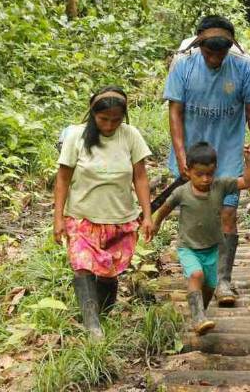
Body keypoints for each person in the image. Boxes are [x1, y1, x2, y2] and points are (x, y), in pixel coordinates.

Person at [164, 15, 250, 306]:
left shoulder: (243, 67)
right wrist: (181, 155)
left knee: (227, 215)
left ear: (230, 48)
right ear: (199, 46)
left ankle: (223, 280)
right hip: (193, 157)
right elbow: (175, 113)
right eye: (209, 53)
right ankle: (198, 271)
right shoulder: (183, 65)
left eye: (220, 53)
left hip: (229, 154)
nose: (215, 59)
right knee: (194, 214)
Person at [53, 86, 153, 338]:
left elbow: (140, 177)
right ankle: (92, 326)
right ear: (92, 114)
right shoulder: (76, 136)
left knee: (109, 271)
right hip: (82, 216)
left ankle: (102, 315)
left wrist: (148, 214)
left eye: (116, 120)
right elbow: (62, 179)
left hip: (120, 218)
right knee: (82, 266)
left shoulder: (130, 136)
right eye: (103, 119)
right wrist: (58, 218)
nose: (109, 125)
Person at [152, 142, 250, 334]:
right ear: (188, 171)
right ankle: (198, 317)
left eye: (209, 174)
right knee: (195, 275)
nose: (205, 179)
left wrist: (249, 162)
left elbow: (247, 182)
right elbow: (165, 207)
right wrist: (156, 223)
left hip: (212, 247)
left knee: (209, 287)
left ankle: (201, 314)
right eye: (199, 174)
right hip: (188, 247)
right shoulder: (181, 192)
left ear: (215, 169)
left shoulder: (220, 186)